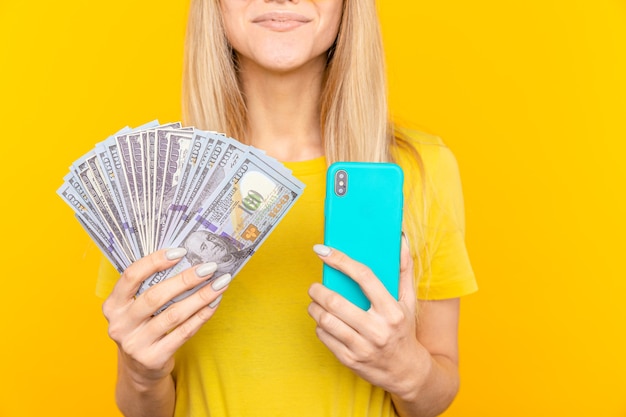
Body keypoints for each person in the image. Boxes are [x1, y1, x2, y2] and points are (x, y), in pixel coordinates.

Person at [97, 0, 478, 416]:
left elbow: (437, 390)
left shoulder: (419, 169)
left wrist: (407, 370)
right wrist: (141, 374)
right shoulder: (154, 180)